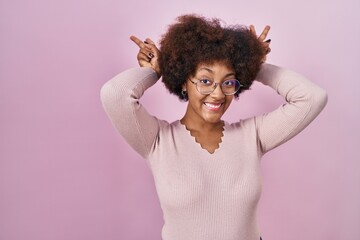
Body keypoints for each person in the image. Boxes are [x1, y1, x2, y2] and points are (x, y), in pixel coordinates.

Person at [100, 14, 327, 240]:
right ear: (183, 82)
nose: (218, 94)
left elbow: (312, 98)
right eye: (205, 81)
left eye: (228, 81)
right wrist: (154, 71)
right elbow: (115, 95)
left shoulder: (253, 135)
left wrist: (254, 67)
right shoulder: (157, 140)